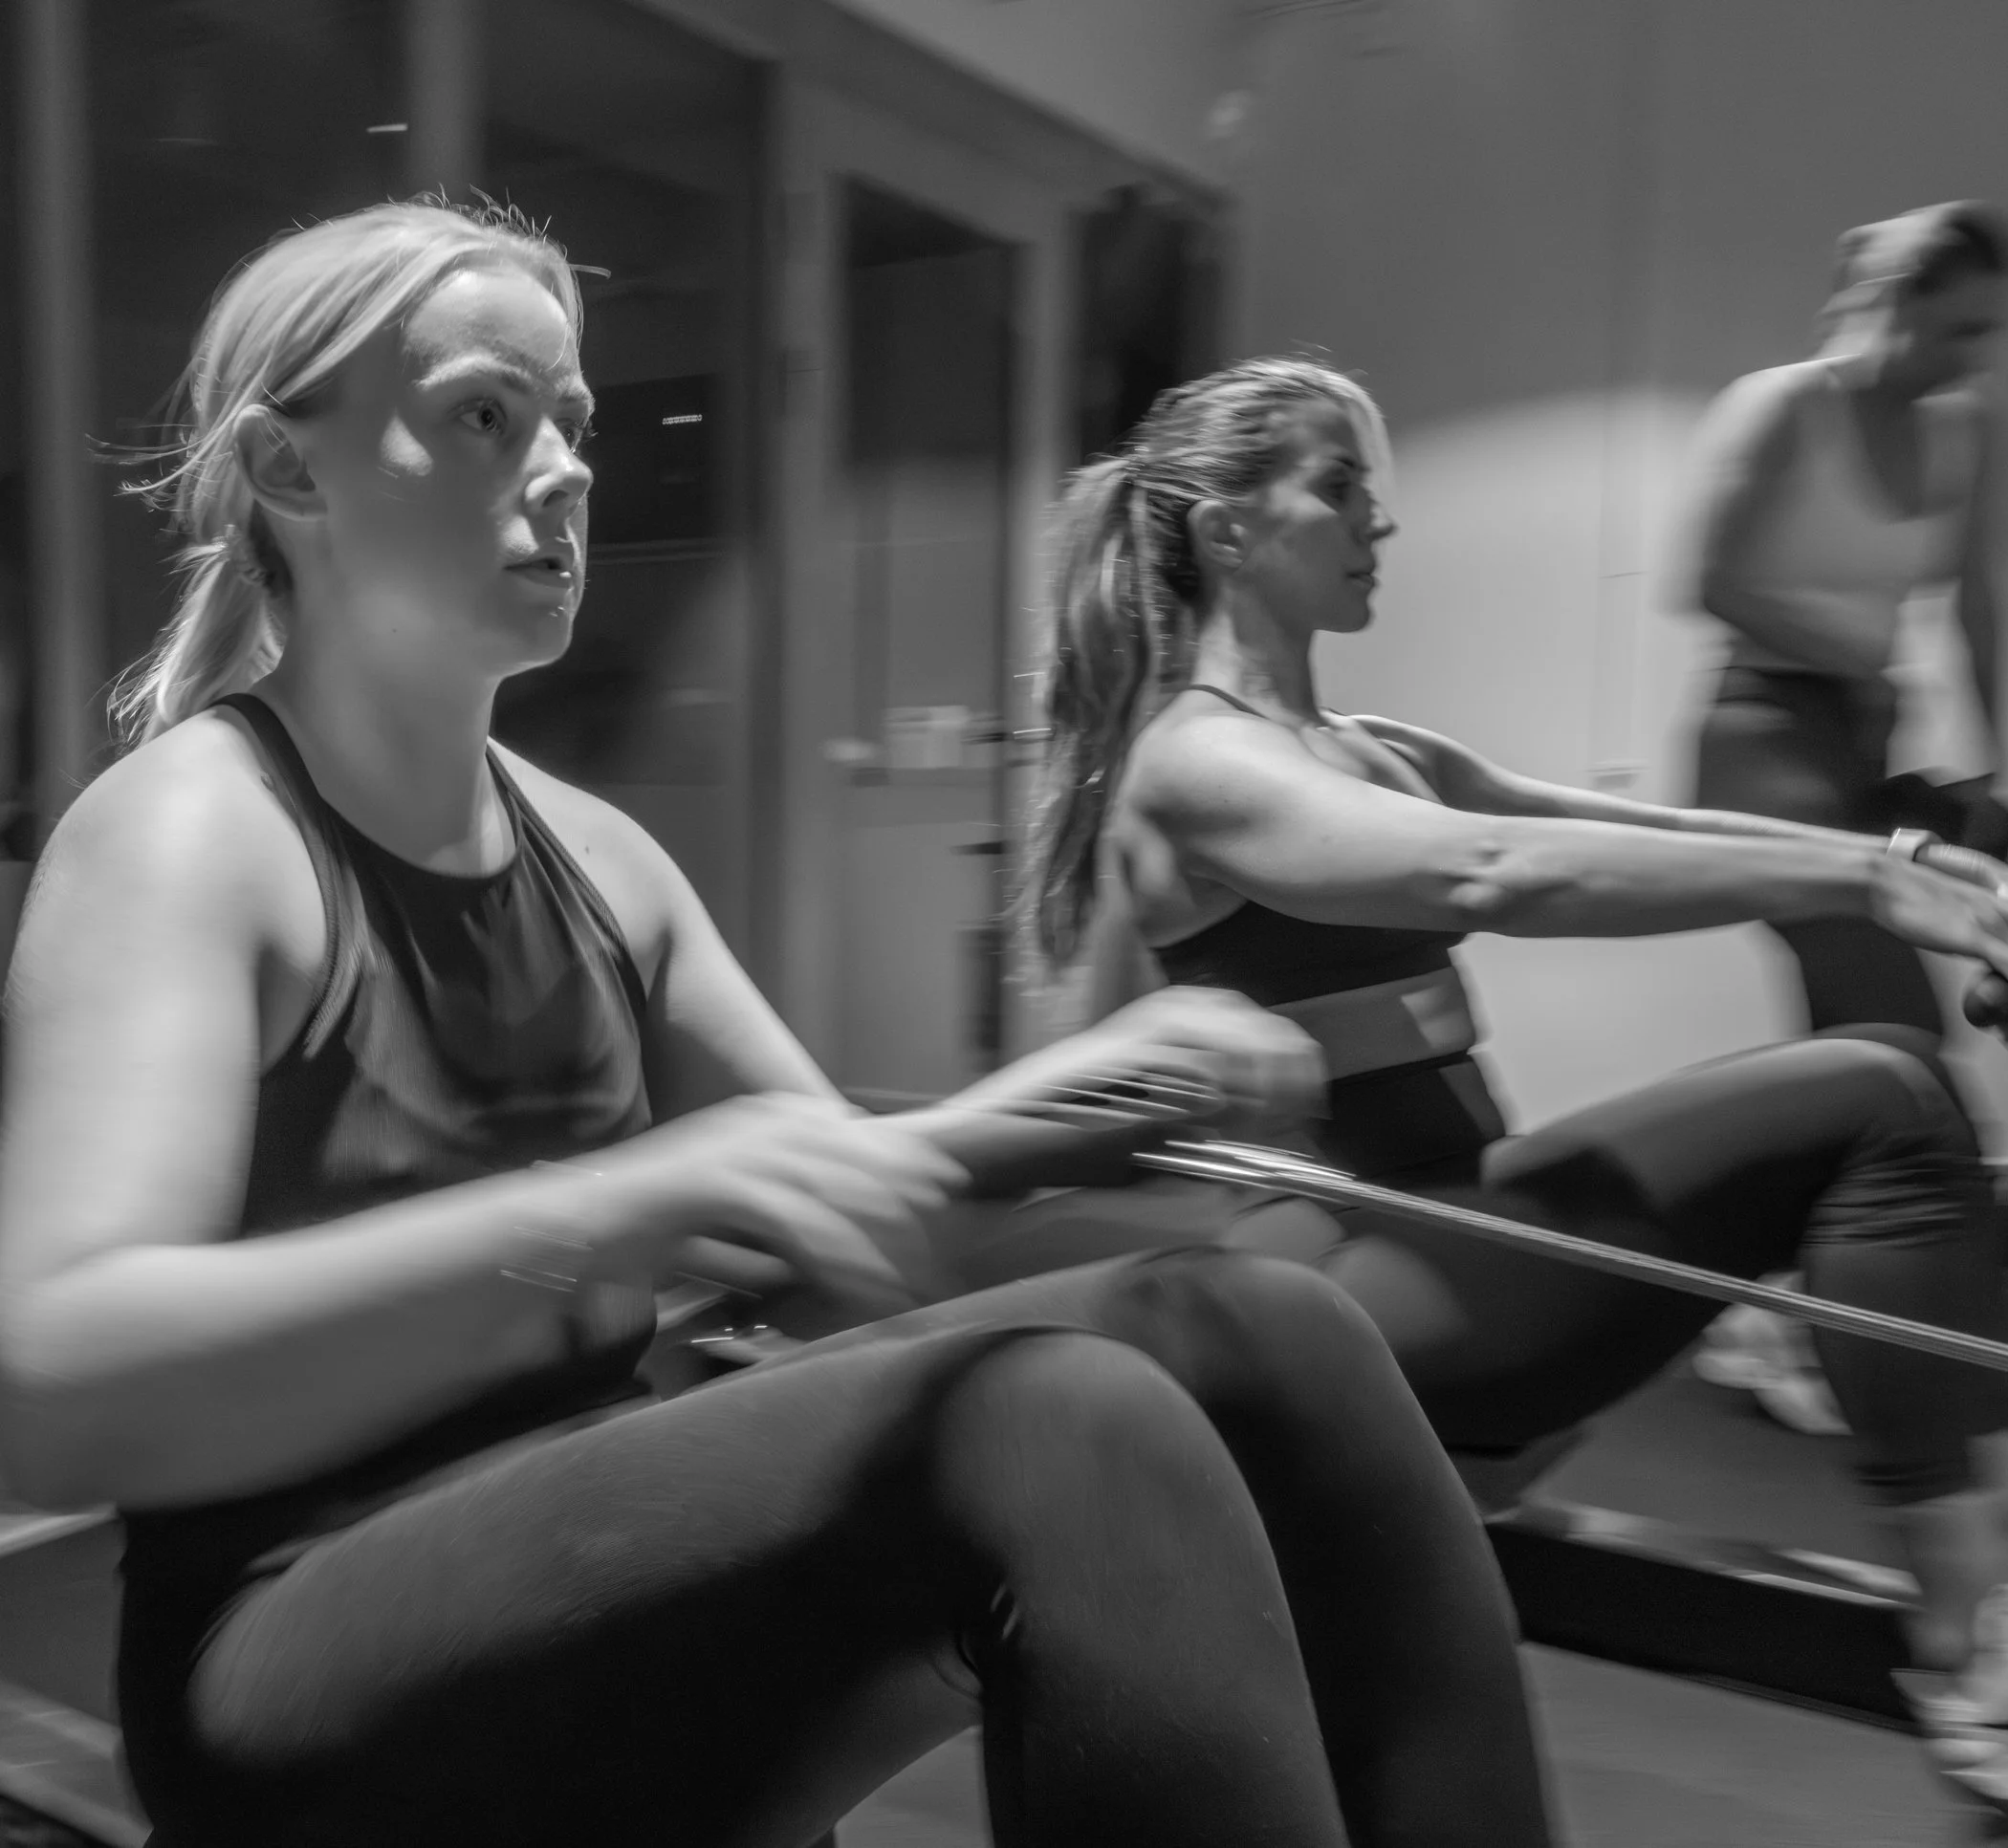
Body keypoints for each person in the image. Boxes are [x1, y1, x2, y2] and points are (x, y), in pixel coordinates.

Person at [0, 202, 1557, 1848]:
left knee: (1261, 1328)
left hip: (577, 1536)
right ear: (291, 472)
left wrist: (1074, 1104)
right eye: (483, 413)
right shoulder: (195, 832)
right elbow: (54, 1384)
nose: (567, 467)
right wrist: (618, 1206)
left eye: (573, 421)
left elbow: (849, 1226)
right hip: (294, 1639)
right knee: (1058, 1426)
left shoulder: (601, 859)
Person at [1005, 354, 2008, 1821]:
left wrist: (1950, 871)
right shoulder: (1197, 766)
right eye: (1342, 486)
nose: (1381, 521)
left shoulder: (1373, 751)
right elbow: (1503, 872)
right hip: (1349, 1290)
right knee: (1885, 1098)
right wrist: (1877, 882)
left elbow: (1645, 824)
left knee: (1892, 1098)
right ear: (1229, 528)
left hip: (1440, 1246)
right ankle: (1991, 1652)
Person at [1686, 202, 2008, 1042]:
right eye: (1957, 330)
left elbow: (1977, 600)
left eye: (1986, 334)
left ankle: (1827, 1158)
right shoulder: (1784, 406)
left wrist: (1998, 766)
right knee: (1893, 1018)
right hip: (1760, 740)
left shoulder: (1969, 428)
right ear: (1896, 298)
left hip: (1860, 742)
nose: (1971, 356)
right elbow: (1710, 581)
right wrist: (1858, 668)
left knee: (1859, 1018)